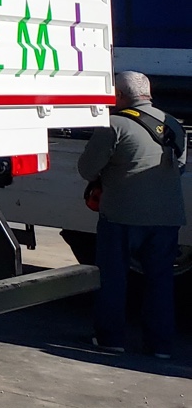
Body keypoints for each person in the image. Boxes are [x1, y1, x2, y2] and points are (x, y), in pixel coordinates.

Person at [78, 70, 186, 357]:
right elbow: (181, 166)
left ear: (120, 96)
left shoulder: (113, 125)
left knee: (113, 279)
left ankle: (111, 339)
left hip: (121, 217)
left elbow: (86, 170)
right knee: (160, 282)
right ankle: (160, 345)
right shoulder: (174, 125)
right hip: (167, 219)